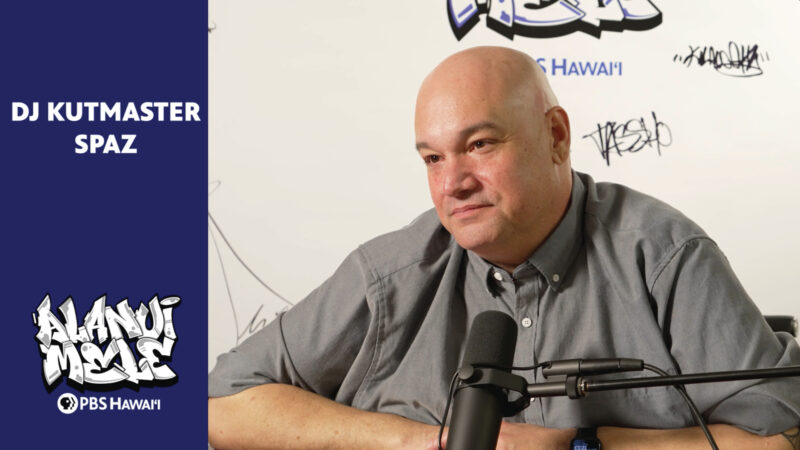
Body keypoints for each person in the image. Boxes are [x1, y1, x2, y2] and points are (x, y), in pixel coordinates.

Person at [208, 46, 800, 449]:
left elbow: (777, 436)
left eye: (480, 145)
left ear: (556, 136)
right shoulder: (390, 276)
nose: (452, 183)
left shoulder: (665, 255)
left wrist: (582, 445)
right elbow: (220, 403)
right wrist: (426, 440)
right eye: (433, 158)